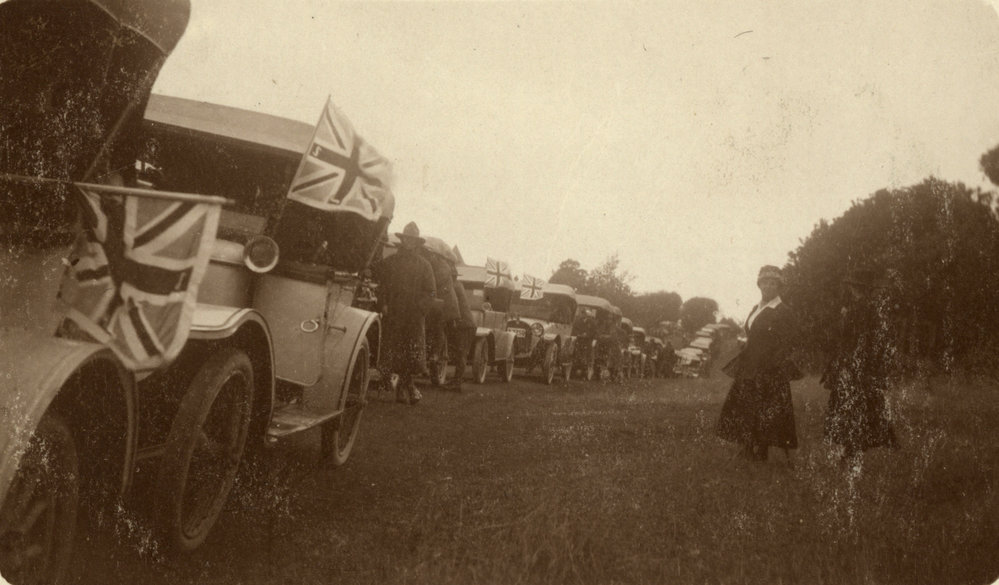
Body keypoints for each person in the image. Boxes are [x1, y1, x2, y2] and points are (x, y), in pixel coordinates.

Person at [717, 265, 801, 463]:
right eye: (764, 283)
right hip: (750, 364)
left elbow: (790, 341)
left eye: (773, 283)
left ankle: (761, 450)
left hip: (769, 367)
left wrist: (774, 362)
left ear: (779, 287)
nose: (768, 287)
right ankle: (747, 447)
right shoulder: (756, 308)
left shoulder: (783, 311)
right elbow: (752, 333)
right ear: (759, 285)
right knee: (746, 405)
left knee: (766, 407)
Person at [821, 269, 899, 468]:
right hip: (857, 364)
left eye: (852, 286)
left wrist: (852, 365)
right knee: (856, 406)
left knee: (854, 407)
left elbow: (862, 340)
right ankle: (853, 450)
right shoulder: (862, 307)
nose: (850, 289)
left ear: (856, 288)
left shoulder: (862, 309)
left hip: (857, 365)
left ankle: (852, 452)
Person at [372, 222, 437, 405]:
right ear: (403, 240)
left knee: (410, 355)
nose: (409, 242)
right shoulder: (391, 262)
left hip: (413, 318)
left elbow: (431, 292)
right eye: (407, 239)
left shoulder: (424, 265)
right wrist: (383, 304)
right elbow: (381, 285)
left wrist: (419, 309)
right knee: (394, 353)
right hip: (394, 315)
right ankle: (407, 389)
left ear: (417, 243)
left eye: (413, 240)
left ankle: (404, 388)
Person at [447, 265, 476, 391]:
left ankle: (457, 382)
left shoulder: (453, 286)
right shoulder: (459, 285)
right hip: (467, 324)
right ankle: (456, 381)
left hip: (465, 325)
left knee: (461, 353)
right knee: (461, 353)